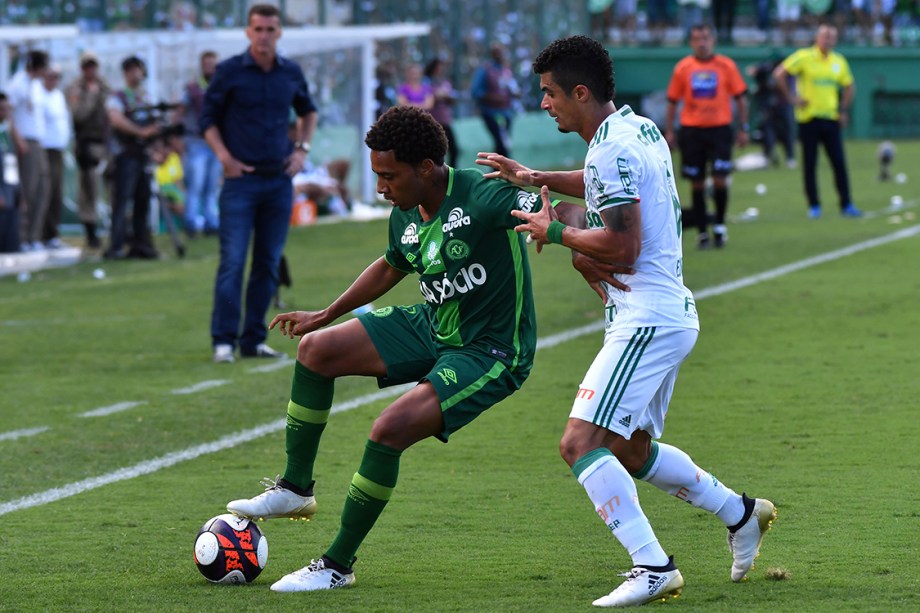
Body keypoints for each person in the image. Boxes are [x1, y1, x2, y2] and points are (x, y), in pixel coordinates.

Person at [476, 35, 775, 608]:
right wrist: (534, 178)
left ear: (580, 93)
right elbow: (598, 187)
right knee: (630, 448)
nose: (544, 104)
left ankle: (653, 566)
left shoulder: (611, 149)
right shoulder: (635, 128)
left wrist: (556, 231)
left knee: (579, 442)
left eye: (549, 93)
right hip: (664, 312)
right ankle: (740, 514)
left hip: (646, 318)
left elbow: (623, 245)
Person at [224, 105, 542, 593]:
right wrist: (325, 314)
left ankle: (336, 565)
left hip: (491, 350)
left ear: (427, 169)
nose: (380, 187)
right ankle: (294, 488)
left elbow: (547, 214)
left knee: (387, 430)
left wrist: (580, 243)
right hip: (436, 324)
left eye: (389, 176)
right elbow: (392, 265)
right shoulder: (405, 213)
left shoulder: (481, 194)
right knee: (316, 350)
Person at [200, 3, 318, 364]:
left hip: (278, 182)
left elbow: (308, 110)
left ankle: (253, 339)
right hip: (240, 183)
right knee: (233, 261)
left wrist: (302, 150)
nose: (264, 36)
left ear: (279, 32)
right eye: (258, 29)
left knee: (267, 263)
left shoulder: (290, 72)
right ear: (248, 32)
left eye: (271, 29)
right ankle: (223, 340)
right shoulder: (229, 72)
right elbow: (207, 120)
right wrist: (224, 158)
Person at [664, 23, 749, 249]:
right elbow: (672, 100)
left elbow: (740, 98)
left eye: (705, 38)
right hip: (692, 131)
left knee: (720, 178)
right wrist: (670, 131)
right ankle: (702, 231)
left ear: (713, 41)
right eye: (697, 39)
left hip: (720, 130)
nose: (701, 43)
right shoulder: (683, 68)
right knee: (697, 183)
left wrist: (743, 128)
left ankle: (720, 225)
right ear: (692, 43)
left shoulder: (726, 66)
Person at [773, 25, 861, 219]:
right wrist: (791, 98)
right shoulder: (804, 57)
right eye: (825, 36)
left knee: (838, 163)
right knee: (810, 164)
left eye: (832, 37)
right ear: (817, 38)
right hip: (809, 118)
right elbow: (779, 73)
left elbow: (849, 85)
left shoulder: (838, 61)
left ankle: (846, 203)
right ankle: (814, 205)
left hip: (831, 118)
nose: (828, 40)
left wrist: (843, 109)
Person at [105, 55, 162, 260]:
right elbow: (115, 119)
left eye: (137, 69)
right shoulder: (118, 96)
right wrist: (140, 132)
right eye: (130, 70)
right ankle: (117, 245)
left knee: (143, 201)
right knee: (122, 201)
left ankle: (141, 244)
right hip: (125, 156)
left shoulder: (147, 97)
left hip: (143, 156)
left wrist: (157, 147)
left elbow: (156, 125)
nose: (134, 73)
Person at [66, 50, 111, 250]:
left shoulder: (105, 86)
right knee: (89, 188)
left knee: (111, 187)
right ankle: (91, 232)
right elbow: (77, 116)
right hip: (86, 144)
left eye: (93, 66)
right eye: (87, 66)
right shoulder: (76, 88)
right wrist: (91, 97)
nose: (91, 70)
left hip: (105, 143)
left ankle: (116, 227)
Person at [175, 50, 221, 238]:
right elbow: (179, 111)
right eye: (206, 63)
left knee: (211, 186)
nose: (210, 66)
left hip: (216, 144)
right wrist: (174, 136)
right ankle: (191, 222)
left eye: (213, 63)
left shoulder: (222, 87)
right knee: (196, 184)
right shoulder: (192, 89)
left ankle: (211, 221)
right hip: (197, 142)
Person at [8, 49, 49, 252]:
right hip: (26, 144)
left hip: (39, 143)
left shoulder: (37, 86)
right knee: (27, 191)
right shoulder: (18, 83)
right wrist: (19, 140)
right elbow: (8, 114)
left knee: (42, 189)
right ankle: (22, 237)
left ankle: (35, 237)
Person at [40, 64, 71, 249]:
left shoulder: (58, 96)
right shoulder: (39, 95)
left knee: (57, 193)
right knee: (46, 192)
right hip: (45, 149)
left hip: (58, 149)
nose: (55, 80)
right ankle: (41, 235)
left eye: (57, 76)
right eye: (51, 76)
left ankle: (52, 234)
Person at [747, 54, 796, 169]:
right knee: (768, 132)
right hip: (769, 107)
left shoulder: (789, 74)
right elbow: (751, 71)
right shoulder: (767, 71)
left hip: (783, 106)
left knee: (787, 132)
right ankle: (768, 156)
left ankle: (790, 157)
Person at [471, 42, 519, 157]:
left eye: (502, 52)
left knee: (502, 143)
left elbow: (514, 89)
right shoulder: (485, 70)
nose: (500, 55)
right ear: (492, 54)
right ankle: (501, 170)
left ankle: (495, 171)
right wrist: (491, 97)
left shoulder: (506, 71)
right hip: (491, 113)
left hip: (506, 113)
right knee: (501, 143)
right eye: (497, 52)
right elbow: (475, 92)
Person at [424, 57, 459, 168]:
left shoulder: (445, 82)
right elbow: (427, 98)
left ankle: (452, 173)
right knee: (433, 151)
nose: (441, 69)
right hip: (432, 121)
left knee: (453, 149)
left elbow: (452, 98)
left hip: (445, 121)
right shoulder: (426, 82)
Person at [0, 92, 22, 253]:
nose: (5, 112)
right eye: (2, 109)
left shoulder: (6, 133)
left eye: (7, 109)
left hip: (11, 186)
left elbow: (22, 149)